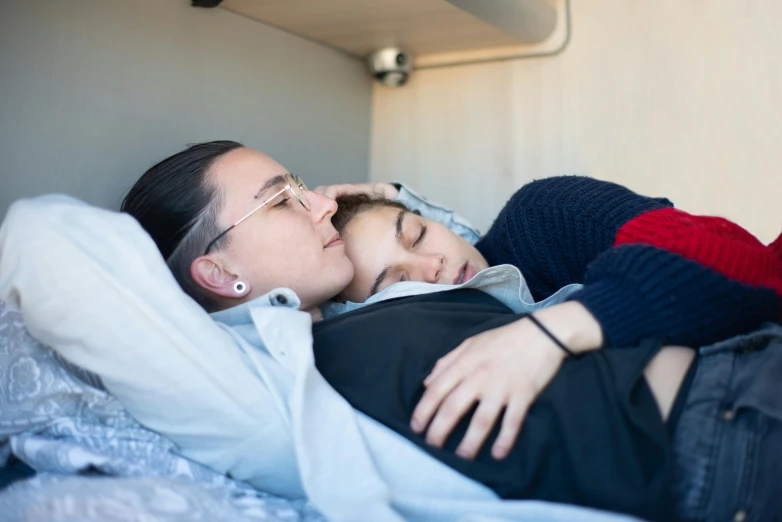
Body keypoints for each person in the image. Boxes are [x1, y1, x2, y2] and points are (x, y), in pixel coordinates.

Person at [3, 140, 780, 522]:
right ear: (218, 274)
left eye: (307, 190)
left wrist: (542, 331)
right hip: (728, 435)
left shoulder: (524, 241)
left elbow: (738, 266)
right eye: (282, 200)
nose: (313, 205)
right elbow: (45, 243)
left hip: (747, 373)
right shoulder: (266, 378)